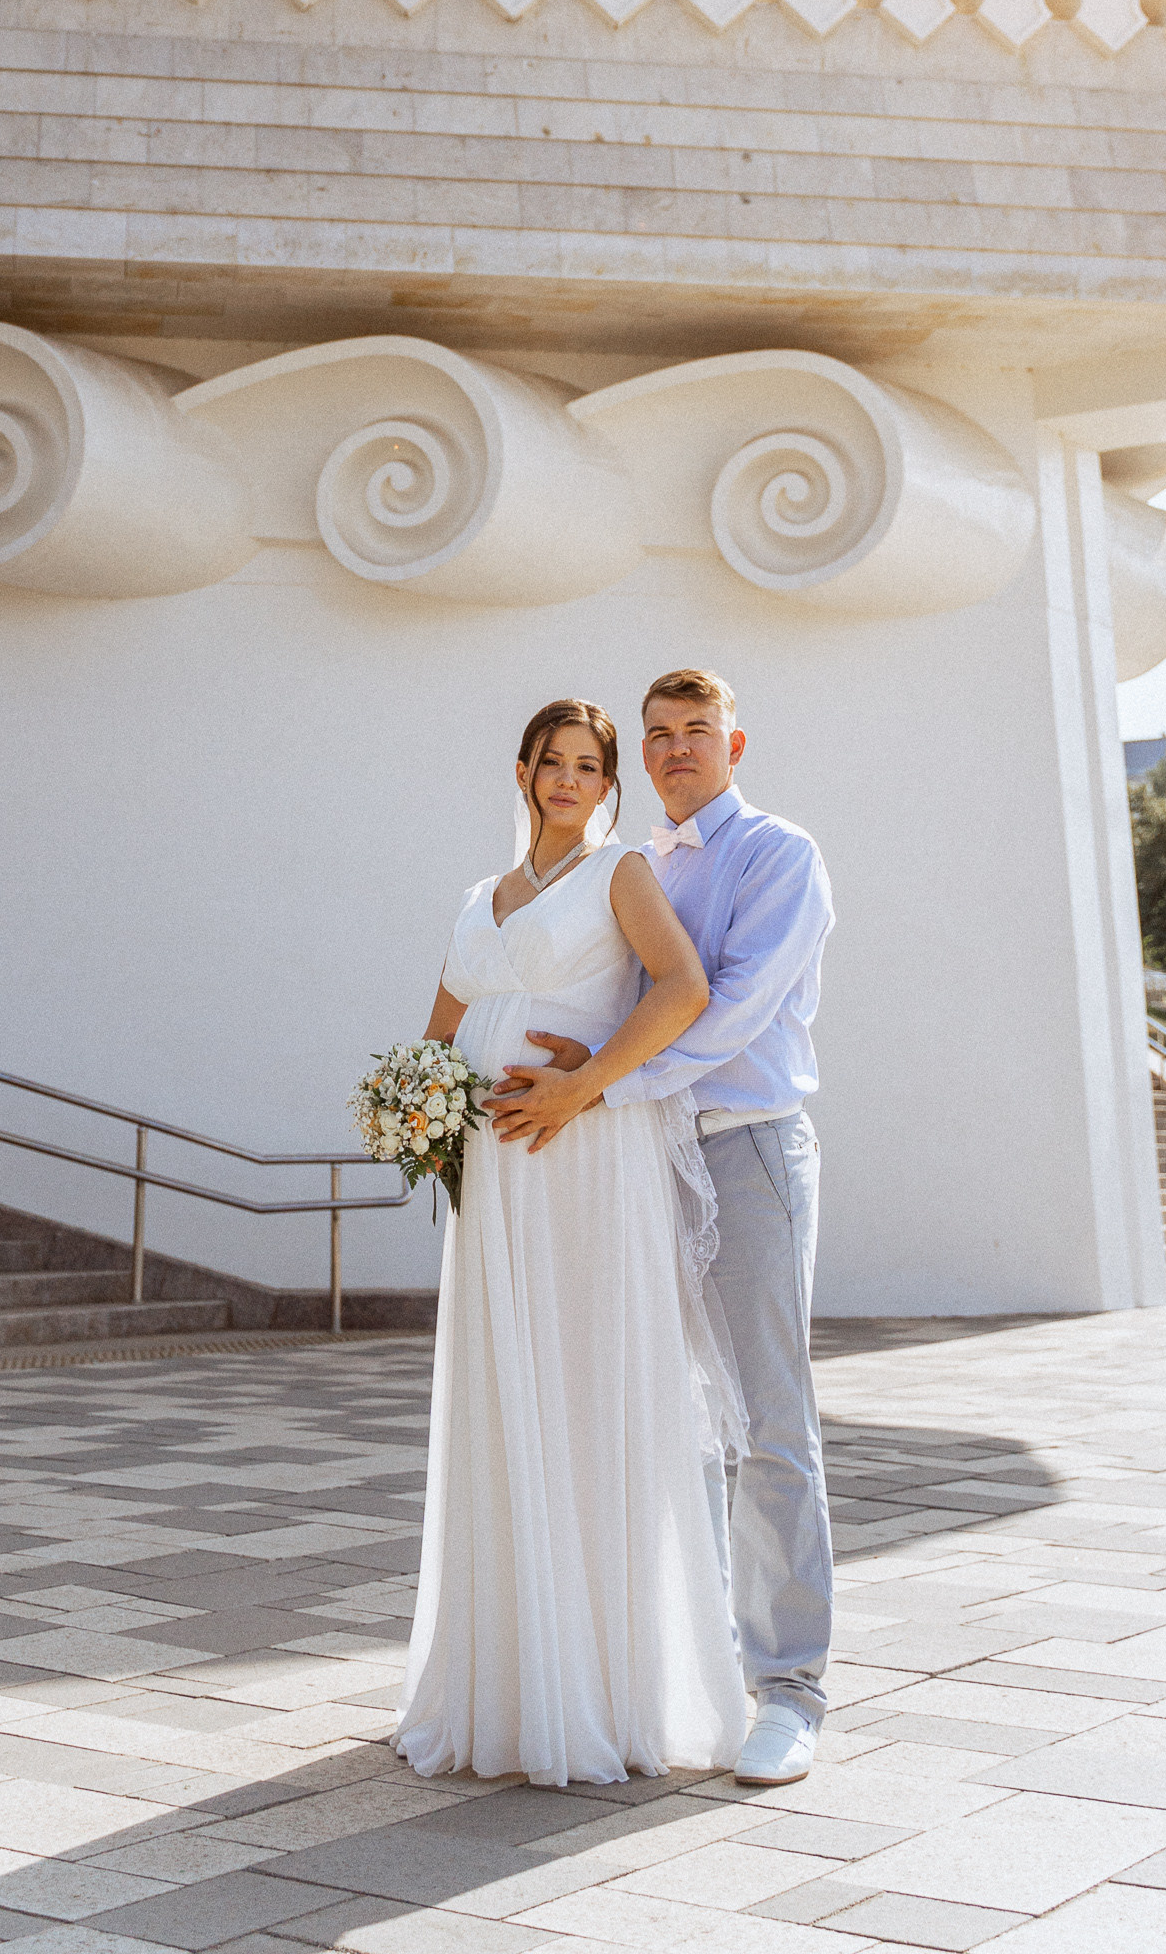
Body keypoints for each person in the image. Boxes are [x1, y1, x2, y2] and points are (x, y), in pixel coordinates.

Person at [489, 668, 835, 1789]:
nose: (675, 749)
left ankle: (789, 1689)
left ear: (736, 739)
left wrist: (596, 1088)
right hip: (635, 1162)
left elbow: (722, 1005)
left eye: (696, 731)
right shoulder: (639, 862)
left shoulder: (777, 853)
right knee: (665, 1414)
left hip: (739, 1149)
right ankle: (687, 1665)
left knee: (767, 1416)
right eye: (657, 736)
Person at [394, 697, 749, 1787]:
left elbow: (685, 988)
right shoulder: (477, 898)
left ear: (607, 787)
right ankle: (501, 1681)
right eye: (549, 761)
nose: (565, 779)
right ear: (519, 772)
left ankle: (600, 1684)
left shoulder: (619, 879)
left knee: (583, 1390)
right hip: (495, 1183)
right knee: (506, 1395)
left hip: (584, 1162)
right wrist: (411, 1108)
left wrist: (583, 1083)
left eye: (587, 766)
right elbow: (440, 1036)